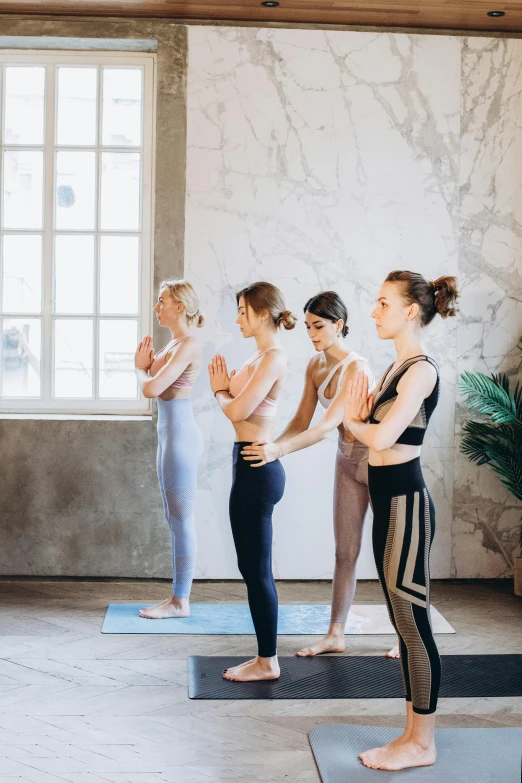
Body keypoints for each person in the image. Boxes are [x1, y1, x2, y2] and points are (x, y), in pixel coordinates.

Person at [344, 270, 459, 771]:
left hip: (407, 503)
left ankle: (423, 743)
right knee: (401, 620)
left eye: (383, 303)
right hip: (386, 499)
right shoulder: (397, 369)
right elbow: (371, 432)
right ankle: (411, 734)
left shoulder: (421, 371)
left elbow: (381, 438)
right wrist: (361, 422)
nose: (374, 312)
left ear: (410, 311)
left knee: (414, 625)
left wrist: (354, 421)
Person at [241, 291, 385, 657]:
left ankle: (409, 637)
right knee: (344, 552)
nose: (312, 333)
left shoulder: (357, 367)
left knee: (391, 555)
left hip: (380, 463)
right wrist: (269, 446)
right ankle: (336, 635)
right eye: (307, 327)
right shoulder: (314, 366)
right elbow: (301, 420)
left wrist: (278, 450)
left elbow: (324, 427)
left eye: (318, 326)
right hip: (347, 461)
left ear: (339, 324)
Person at [208, 282, 296, 682]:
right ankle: (264, 657)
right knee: (250, 566)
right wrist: (225, 391)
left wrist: (219, 391)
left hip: (258, 471)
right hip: (246, 464)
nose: (238, 318)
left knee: (258, 570)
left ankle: (268, 661)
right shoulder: (259, 356)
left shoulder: (273, 358)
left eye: (243, 311)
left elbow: (237, 410)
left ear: (263, 313)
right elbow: (237, 409)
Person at [134, 280, 204, 620]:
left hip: (181, 439)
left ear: (180, 305)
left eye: (161, 301)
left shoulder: (188, 345)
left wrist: (139, 367)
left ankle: (181, 601)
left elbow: (152, 388)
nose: (156, 307)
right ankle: (176, 597)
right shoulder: (173, 345)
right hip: (169, 438)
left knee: (182, 518)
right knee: (173, 518)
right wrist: (147, 366)